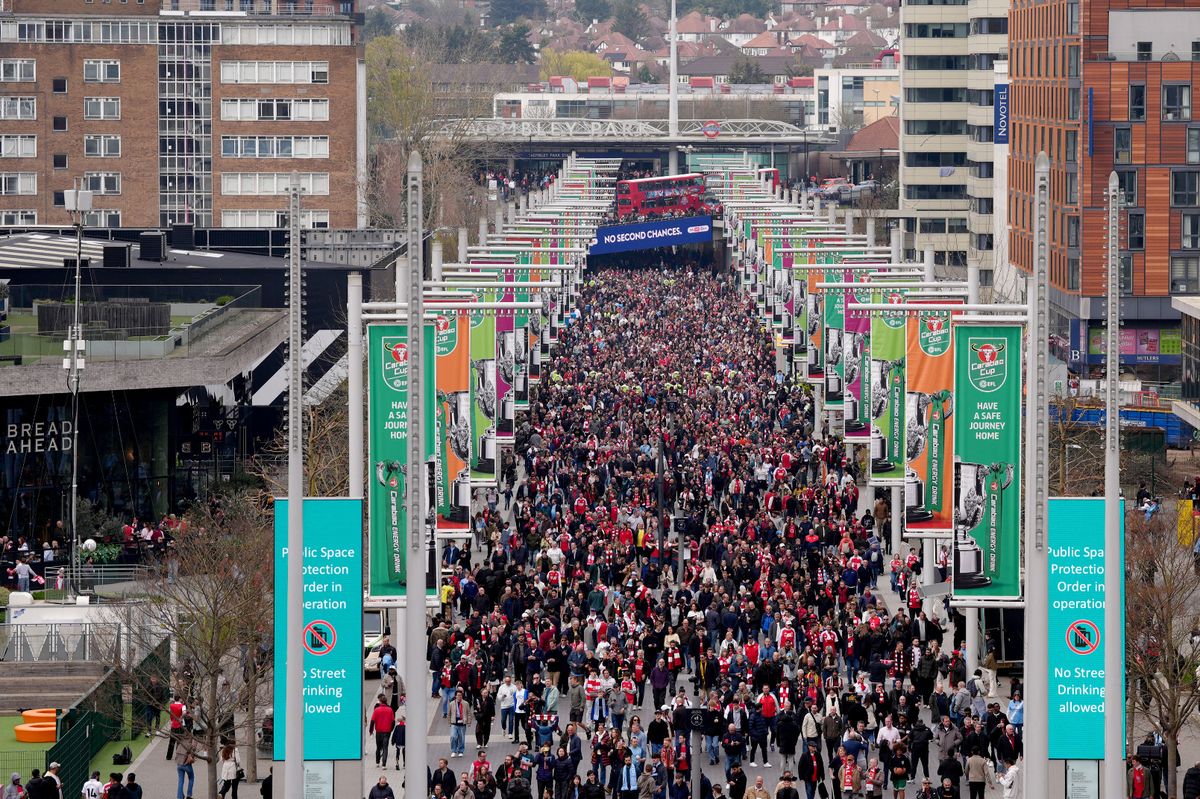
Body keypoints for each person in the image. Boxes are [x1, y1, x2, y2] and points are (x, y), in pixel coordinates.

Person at [371, 697, 397, 768]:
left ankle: (377, 762)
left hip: (378, 731)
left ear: (380, 701)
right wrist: (391, 729)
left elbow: (372, 721)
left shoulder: (376, 710)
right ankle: (384, 764)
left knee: (378, 747)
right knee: (385, 748)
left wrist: (371, 731)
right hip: (387, 732)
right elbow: (393, 721)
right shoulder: (390, 710)